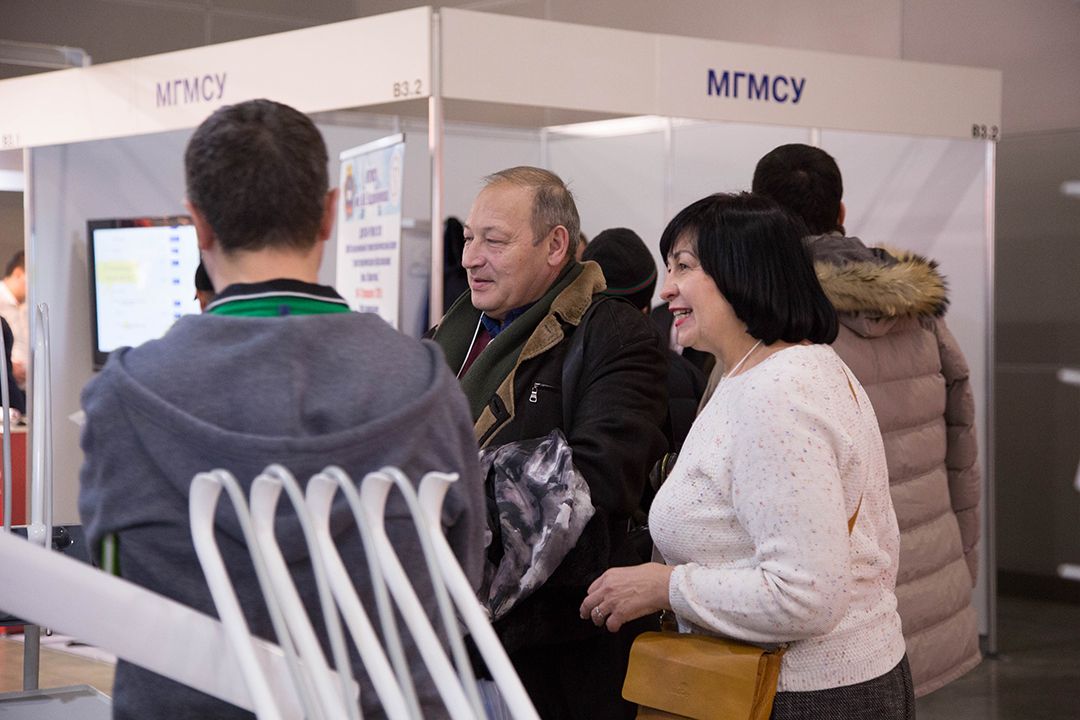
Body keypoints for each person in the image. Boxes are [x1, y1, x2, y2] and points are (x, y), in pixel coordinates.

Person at [78, 99, 485, 720]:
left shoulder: (123, 397)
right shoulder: (427, 387)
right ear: (329, 214)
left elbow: (114, 582)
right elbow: (460, 582)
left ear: (198, 225)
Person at [582, 193, 913, 719]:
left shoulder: (777, 394)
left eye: (684, 267)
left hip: (801, 695)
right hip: (818, 683)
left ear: (743, 274)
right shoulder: (784, 369)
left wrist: (667, 587)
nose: (666, 289)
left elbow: (806, 595)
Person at [430, 167, 668, 719]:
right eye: (469, 238)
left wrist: (441, 494)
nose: (470, 258)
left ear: (555, 245)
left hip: (551, 665)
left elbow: (597, 482)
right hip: (447, 647)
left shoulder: (612, 334)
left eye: (494, 241)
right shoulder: (452, 332)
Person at [752, 143, 981, 696]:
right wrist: (962, 559)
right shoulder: (920, 312)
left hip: (836, 609)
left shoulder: (772, 318)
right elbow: (963, 448)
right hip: (927, 575)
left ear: (759, 217)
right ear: (842, 211)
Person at [581, 227, 706, 453]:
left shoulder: (563, 368)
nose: (667, 291)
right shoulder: (688, 376)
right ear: (646, 303)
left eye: (682, 266)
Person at [0, 250, 28, 388]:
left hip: (23, 388)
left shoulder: (25, 306)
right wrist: (7, 366)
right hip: (5, 385)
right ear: (17, 274)